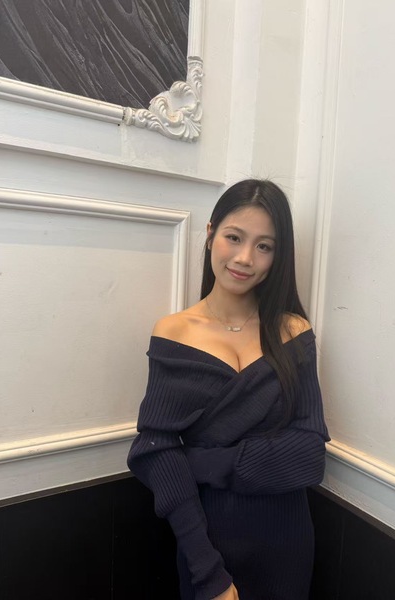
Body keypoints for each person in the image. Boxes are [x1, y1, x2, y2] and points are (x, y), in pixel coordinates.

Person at [127, 179, 330, 600]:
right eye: (234, 238)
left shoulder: (294, 332)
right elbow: (154, 450)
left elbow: (310, 454)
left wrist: (202, 462)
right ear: (210, 234)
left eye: (264, 246)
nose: (244, 258)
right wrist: (208, 574)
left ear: (278, 256)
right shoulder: (174, 332)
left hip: (288, 542)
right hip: (206, 541)